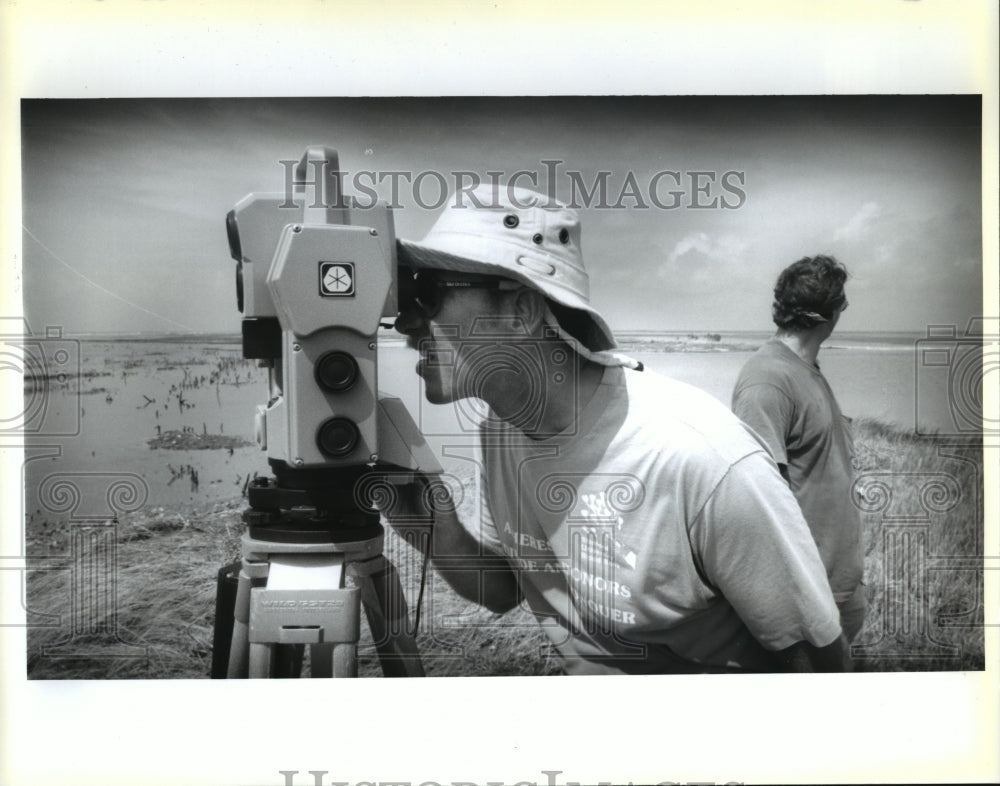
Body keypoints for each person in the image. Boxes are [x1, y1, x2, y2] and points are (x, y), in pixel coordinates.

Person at [391, 184, 849, 674]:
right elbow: (504, 589)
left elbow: (818, 666)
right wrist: (430, 526)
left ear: (522, 311)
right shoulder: (501, 428)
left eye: (428, 294)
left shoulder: (699, 459)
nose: (405, 324)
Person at [731, 255, 865, 642]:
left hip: (837, 586)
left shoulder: (806, 367)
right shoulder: (768, 380)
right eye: (842, 300)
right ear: (828, 315)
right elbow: (756, 501)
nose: (846, 307)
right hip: (804, 597)